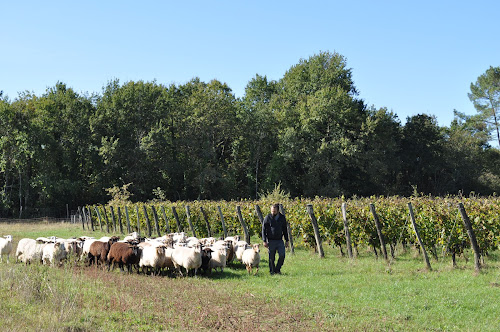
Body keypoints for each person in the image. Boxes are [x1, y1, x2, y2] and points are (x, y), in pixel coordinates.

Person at [262, 203, 289, 275]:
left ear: (277, 210)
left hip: (280, 240)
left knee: (282, 255)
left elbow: (285, 229)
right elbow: (264, 230)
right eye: (271, 211)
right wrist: (264, 240)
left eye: (274, 211)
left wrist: (287, 240)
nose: (272, 212)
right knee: (271, 258)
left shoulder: (282, 218)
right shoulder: (268, 217)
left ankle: (277, 269)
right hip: (271, 240)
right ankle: (272, 272)